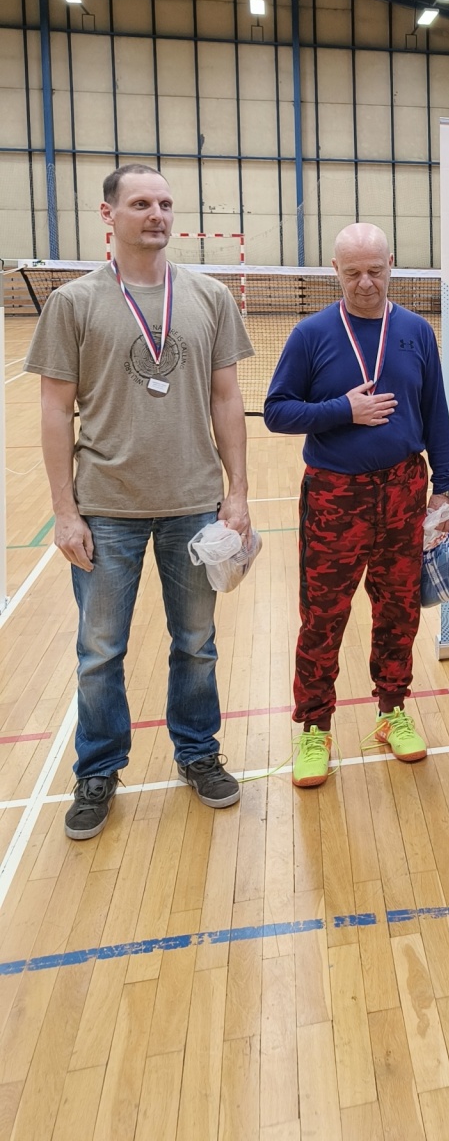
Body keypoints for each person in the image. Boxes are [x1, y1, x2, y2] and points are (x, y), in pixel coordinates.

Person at [27, 164, 252, 840]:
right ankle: (97, 770)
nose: (157, 214)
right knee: (100, 652)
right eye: (141, 203)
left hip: (194, 504)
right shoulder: (73, 302)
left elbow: (226, 398)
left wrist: (238, 493)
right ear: (109, 214)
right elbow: (54, 410)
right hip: (105, 508)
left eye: (165, 203)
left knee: (197, 643)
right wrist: (65, 511)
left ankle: (198, 752)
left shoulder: (210, 296)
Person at [264, 224, 449, 786]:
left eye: (375, 270)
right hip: (335, 495)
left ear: (392, 263)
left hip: (404, 490)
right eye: (353, 273)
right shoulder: (311, 334)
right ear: (335, 270)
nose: (366, 282)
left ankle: (393, 711)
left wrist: (444, 486)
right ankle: (314, 727)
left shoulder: (416, 331)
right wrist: (341, 411)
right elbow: (277, 410)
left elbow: (436, 410)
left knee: (399, 610)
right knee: (323, 616)